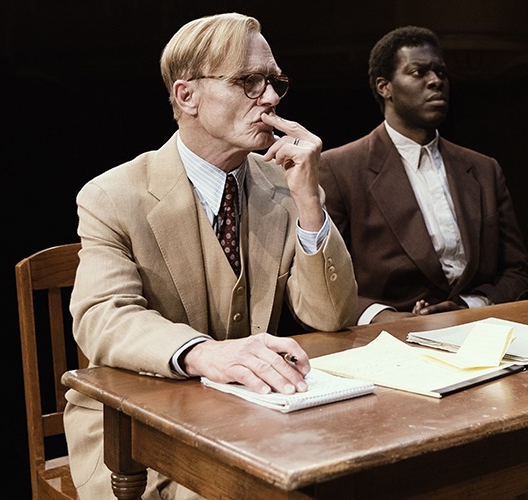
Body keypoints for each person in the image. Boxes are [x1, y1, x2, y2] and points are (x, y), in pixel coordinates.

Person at [65, 13, 357, 499]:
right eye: (248, 81)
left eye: (274, 82)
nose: (269, 98)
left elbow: (331, 315)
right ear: (187, 96)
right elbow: (102, 316)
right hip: (137, 429)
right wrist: (206, 353)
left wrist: (309, 201)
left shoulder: (281, 187)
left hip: (250, 419)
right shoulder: (113, 195)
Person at [319, 25, 528, 326]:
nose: (436, 81)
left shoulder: (484, 169)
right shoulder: (339, 168)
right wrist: (384, 318)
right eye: (419, 72)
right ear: (385, 87)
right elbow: (322, 282)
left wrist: (470, 306)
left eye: (441, 72)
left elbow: (517, 271)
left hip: (481, 332)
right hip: (386, 345)